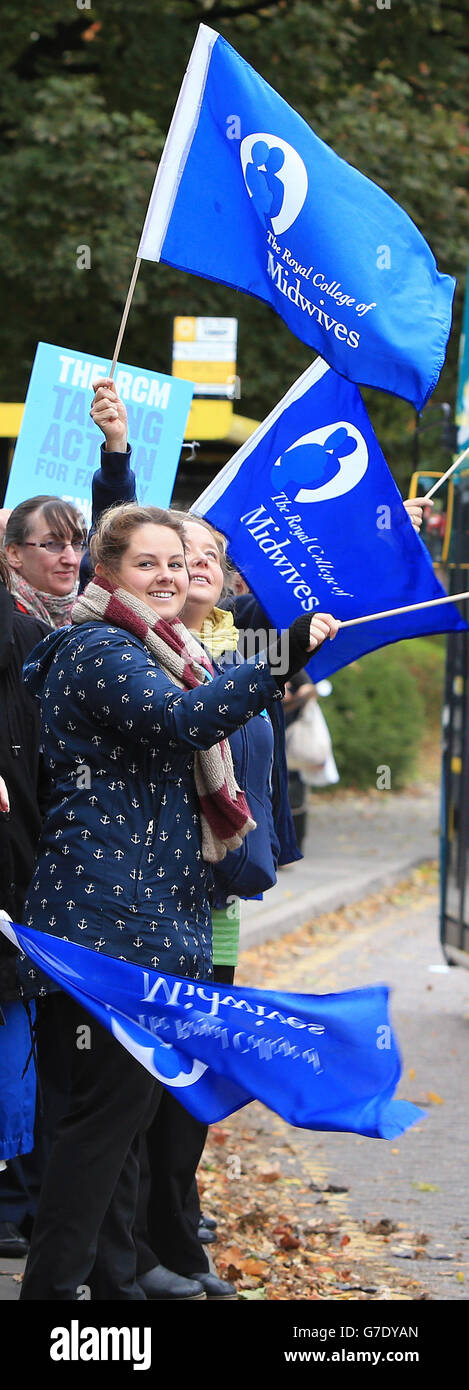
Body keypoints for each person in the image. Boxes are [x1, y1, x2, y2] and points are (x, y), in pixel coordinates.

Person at [15, 499, 337, 1299]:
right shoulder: (96, 649)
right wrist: (278, 658)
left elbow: (209, 712)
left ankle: (112, 1294)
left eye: (175, 561)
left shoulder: (171, 648)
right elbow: (185, 721)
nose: (167, 576)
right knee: (96, 1138)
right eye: (146, 563)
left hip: (157, 929)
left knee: (121, 1138)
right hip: (101, 933)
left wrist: (271, 659)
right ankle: (52, 1302)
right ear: (108, 571)